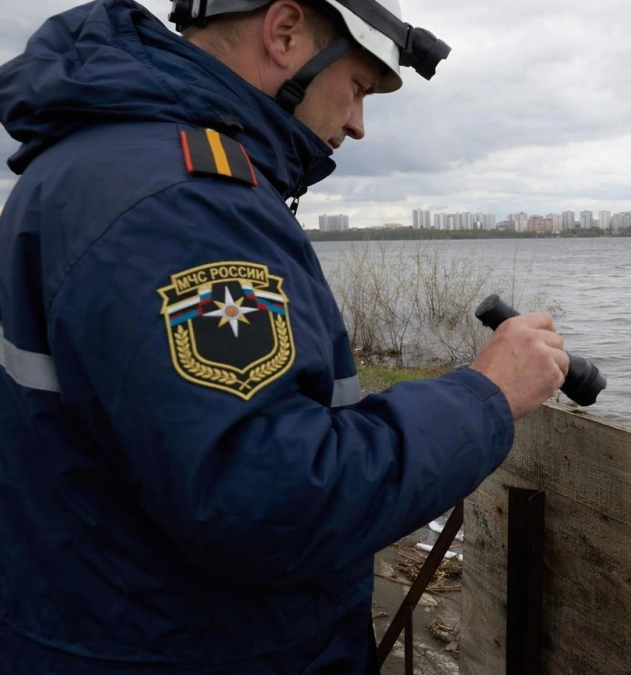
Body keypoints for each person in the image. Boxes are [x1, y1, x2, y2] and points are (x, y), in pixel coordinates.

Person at [0, 1, 568, 672]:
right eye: (357, 87)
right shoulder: (184, 203)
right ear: (285, 31)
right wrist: (487, 395)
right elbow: (267, 498)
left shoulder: (107, 161)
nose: (358, 124)